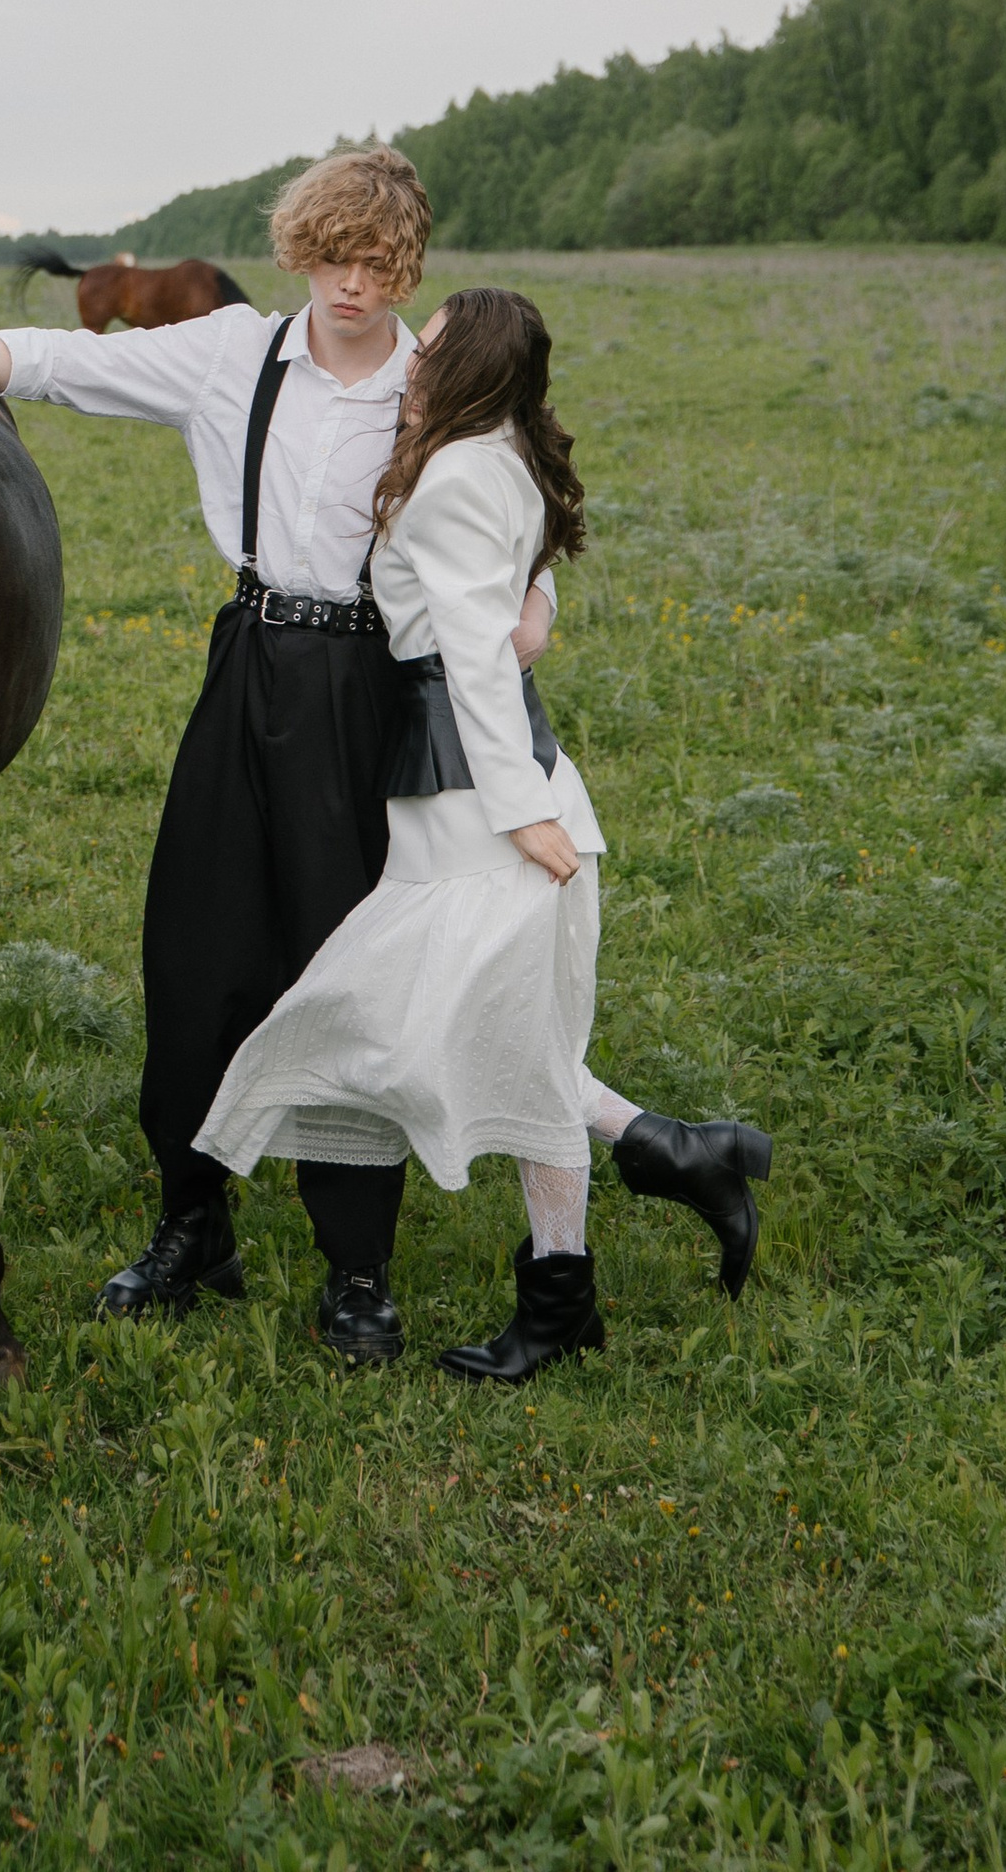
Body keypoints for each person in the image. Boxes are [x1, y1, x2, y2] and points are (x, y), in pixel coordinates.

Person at [0, 146, 552, 1363]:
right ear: (299, 252)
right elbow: (60, 361)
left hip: (369, 691)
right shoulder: (236, 354)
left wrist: (535, 608)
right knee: (195, 952)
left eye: (378, 264)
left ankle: (355, 1269)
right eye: (332, 257)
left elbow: (520, 499)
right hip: (250, 668)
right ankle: (192, 1224)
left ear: (407, 267)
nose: (352, 286)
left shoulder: (437, 379)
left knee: (347, 965)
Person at [192, 283, 772, 1382]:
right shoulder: (501, 450)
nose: (413, 355)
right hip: (481, 788)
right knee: (516, 1041)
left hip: (475, 800)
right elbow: (524, 591)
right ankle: (638, 1204)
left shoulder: (455, 475)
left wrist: (523, 814)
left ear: (466, 370)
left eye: (435, 346)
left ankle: (628, 1213)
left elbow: (470, 660)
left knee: (416, 1028)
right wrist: (535, 622)